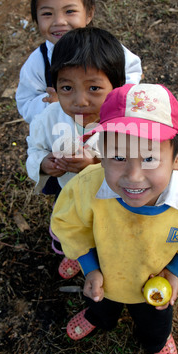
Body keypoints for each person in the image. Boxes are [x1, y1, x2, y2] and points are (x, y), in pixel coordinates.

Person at [50, 83, 178, 354]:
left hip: (151, 285)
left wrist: (176, 272)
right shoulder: (86, 187)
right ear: (101, 152)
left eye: (149, 158)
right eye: (118, 157)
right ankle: (97, 318)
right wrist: (88, 265)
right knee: (100, 305)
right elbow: (69, 224)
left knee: (156, 322)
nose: (133, 176)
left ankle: (158, 340)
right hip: (104, 278)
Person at [26, 27, 126, 280]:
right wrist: (43, 163)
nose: (80, 101)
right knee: (73, 227)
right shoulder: (49, 118)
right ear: (55, 86)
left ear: (116, 86)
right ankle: (75, 251)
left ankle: (105, 255)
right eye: (67, 88)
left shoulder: (124, 122)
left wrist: (94, 162)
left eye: (94, 88)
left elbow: (133, 162)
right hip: (69, 191)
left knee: (108, 230)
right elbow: (35, 147)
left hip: (113, 198)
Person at [15, 0, 143, 124]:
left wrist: (114, 98)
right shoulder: (38, 62)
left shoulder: (103, 47)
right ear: (36, 18)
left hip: (106, 129)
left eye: (69, 11)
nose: (59, 21)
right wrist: (52, 105)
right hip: (63, 137)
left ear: (89, 14)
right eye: (47, 14)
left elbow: (131, 70)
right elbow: (25, 101)